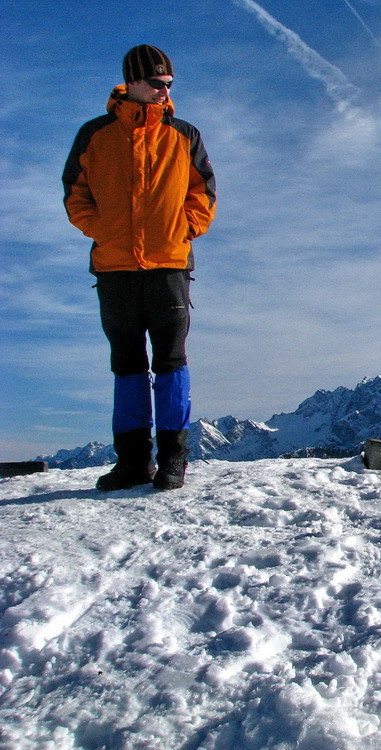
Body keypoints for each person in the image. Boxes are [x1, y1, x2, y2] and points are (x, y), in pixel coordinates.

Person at [62, 45, 216, 491]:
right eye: (156, 83)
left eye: (168, 84)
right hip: (114, 266)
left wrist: (181, 230)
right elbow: (75, 193)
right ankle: (132, 463)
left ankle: (172, 461)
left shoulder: (183, 134)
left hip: (169, 264)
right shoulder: (95, 135)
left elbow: (203, 194)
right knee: (127, 364)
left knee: (170, 363)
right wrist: (103, 230)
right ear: (131, 82)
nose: (163, 91)